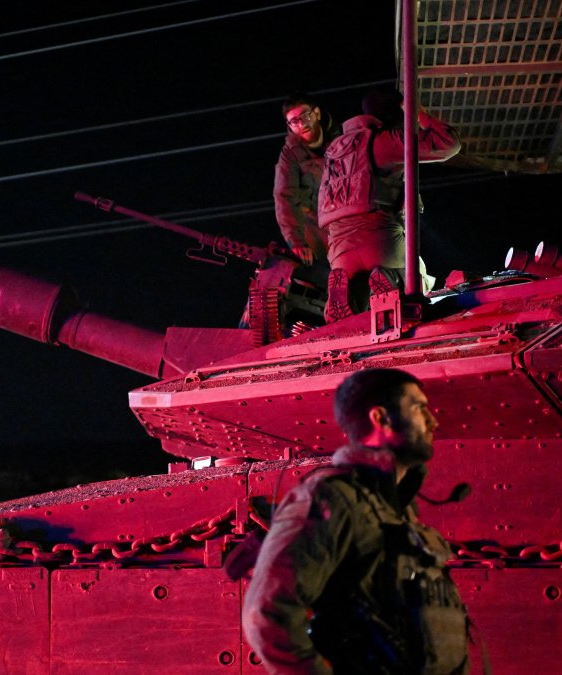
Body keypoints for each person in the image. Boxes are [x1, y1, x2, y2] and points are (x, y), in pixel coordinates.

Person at [242, 368, 469, 674]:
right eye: (419, 407)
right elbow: (267, 613)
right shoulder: (332, 497)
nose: (433, 421)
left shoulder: (396, 506)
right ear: (381, 418)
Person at [318, 89, 461, 322]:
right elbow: (447, 143)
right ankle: (391, 280)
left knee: (357, 309)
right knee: (420, 280)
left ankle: (347, 297)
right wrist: (419, 114)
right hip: (380, 240)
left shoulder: (332, 154)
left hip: (339, 252)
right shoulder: (381, 141)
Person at [274, 93, 341, 271]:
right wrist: (296, 242)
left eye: (305, 116)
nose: (301, 124)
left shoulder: (342, 138)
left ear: (317, 113)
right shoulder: (290, 155)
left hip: (349, 216)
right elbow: (285, 198)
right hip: (318, 224)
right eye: (294, 121)